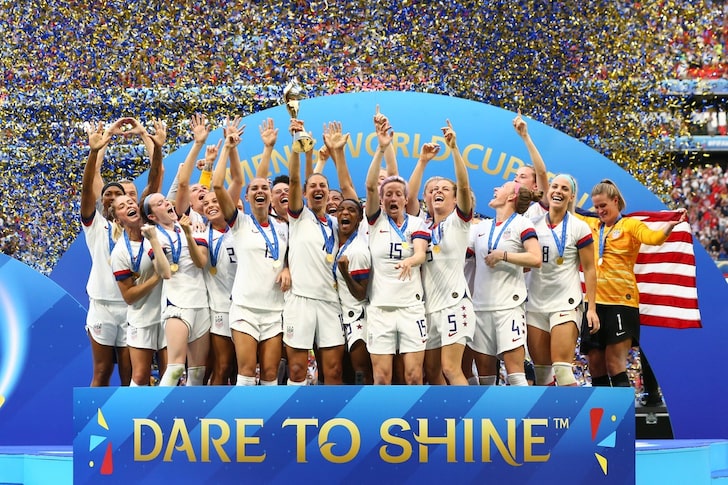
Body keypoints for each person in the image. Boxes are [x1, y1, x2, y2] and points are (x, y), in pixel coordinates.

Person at [578, 179, 686, 388]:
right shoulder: (591, 224)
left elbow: (652, 238)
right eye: (597, 207)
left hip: (621, 303)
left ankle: (624, 419)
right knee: (595, 365)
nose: (600, 211)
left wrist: (668, 228)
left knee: (614, 363)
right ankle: (604, 417)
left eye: (603, 206)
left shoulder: (630, 225)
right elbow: (559, 206)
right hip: (592, 304)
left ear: (615, 201)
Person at [211, 121, 291, 386]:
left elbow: (291, 254)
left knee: (270, 376)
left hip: (275, 310)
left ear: (271, 195)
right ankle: (244, 426)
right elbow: (219, 185)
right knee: (245, 374)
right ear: (245, 198)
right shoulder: (240, 223)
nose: (259, 191)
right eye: (253, 189)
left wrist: (288, 266)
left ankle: (269, 426)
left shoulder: (284, 226)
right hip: (245, 308)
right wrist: (228, 148)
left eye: (264, 188)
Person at [365, 116, 431, 385]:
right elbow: (370, 185)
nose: (393, 198)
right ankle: (383, 423)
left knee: (414, 376)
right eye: (387, 194)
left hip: (411, 308)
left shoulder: (417, 222)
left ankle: (412, 424)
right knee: (382, 377)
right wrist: (381, 148)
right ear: (381, 200)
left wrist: (410, 262)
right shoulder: (373, 221)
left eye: (397, 193)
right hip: (380, 309)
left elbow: (419, 252)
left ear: (406, 198)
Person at [284, 118, 345, 385]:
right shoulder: (299, 217)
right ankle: (289, 422)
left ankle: (331, 421)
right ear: (306, 194)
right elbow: (295, 179)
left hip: (331, 302)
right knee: (297, 371)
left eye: (323, 186)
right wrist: (297, 144)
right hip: (301, 301)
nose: (319, 189)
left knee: (332, 372)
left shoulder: (336, 224)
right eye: (313, 186)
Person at [526, 174, 600, 386]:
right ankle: (548, 418)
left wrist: (591, 308)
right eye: (555, 187)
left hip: (565, 303)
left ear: (571, 196)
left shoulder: (579, 227)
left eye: (564, 189)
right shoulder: (531, 225)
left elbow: (589, 269)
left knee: (562, 369)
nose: (558, 191)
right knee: (542, 374)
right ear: (548, 192)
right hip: (535, 304)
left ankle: (576, 418)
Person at [468, 181, 542, 386]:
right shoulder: (481, 227)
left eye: (501, 187)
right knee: (485, 379)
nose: (495, 188)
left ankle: (522, 416)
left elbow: (536, 259)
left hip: (509, 306)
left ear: (511, 196)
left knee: (515, 374)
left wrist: (504, 256)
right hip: (480, 307)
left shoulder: (522, 224)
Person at [419, 121, 475, 386]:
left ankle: (468, 424)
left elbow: (464, 187)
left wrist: (454, 149)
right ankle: (444, 422)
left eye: (445, 189)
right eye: (435, 190)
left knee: (451, 369)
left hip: (454, 303)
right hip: (429, 307)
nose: (439, 192)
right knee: (432, 374)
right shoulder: (422, 227)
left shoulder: (458, 222)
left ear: (455, 200)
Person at [142, 192, 210, 386]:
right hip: (176, 302)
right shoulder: (152, 236)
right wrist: (154, 240)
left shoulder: (193, 227)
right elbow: (165, 273)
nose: (166, 203)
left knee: (197, 373)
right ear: (153, 216)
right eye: (159, 204)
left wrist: (189, 233)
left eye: (165, 200)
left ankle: (190, 415)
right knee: (176, 368)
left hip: (200, 302)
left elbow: (201, 263)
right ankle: (158, 411)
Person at [109, 194, 169, 386]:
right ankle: (134, 414)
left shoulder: (157, 233)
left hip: (168, 314)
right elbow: (128, 296)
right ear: (118, 219)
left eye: (130, 202)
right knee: (141, 376)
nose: (128, 206)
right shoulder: (120, 252)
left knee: (171, 374)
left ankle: (169, 415)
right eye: (121, 206)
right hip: (142, 318)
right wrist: (156, 278)